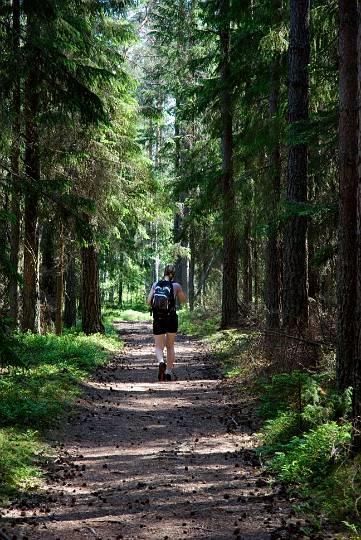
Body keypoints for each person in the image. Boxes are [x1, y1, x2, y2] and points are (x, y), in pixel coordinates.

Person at [147, 264, 187, 381]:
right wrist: (180, 292)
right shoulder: (176, 286)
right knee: (170, 346)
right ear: (173, 274)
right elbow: (183, 300)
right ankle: (168, 372)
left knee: (159, 346)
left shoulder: (155, 285)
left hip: (158, 318)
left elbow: (149, 301)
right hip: (171, 318)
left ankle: (161, 362)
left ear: (164, 273)